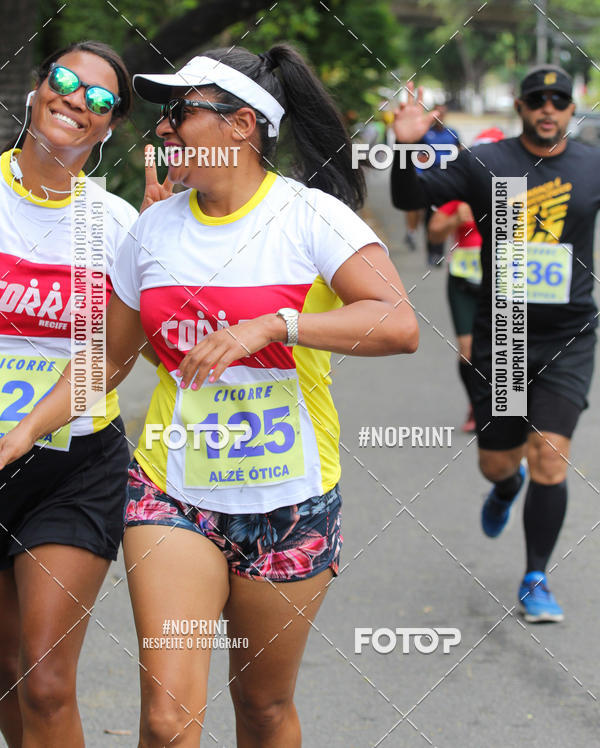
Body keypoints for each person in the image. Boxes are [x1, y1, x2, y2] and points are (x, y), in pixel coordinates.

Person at [0, 44, 420, 746]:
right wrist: (21, 434)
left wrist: (277, 325)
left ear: (241, 125)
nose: (163, 128)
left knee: (262, 707)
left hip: (289, 499)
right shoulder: (152, 229)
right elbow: (107, 358)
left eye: (181, 112)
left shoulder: (309, 217)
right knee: (167, 721)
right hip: (172, 493)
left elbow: (398, 324)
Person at [391, 65, 597, 622]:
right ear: (521, 106)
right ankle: (506, 488)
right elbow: (413, 195)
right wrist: (405, 147)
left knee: (550, 456)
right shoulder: (484, 161)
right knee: (497, 463)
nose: (548, 108)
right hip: (504, 334)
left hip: (568, 334)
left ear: (570, 107)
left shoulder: (591, 164)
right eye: (538, 99)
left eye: (559, 99)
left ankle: (536, 577)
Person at [0, 41, 138, 747]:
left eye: (100, 99)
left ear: (109, 127)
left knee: (46, 680)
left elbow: (112, 360)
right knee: (5, 670)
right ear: (37, 88)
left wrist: (26, 430)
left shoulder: (116, 224)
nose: (77, 100)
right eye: (64, 80)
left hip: (73, 465)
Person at [427, 128, 505, 433]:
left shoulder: (519, 189)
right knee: (469, 351)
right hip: (463, 279)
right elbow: (434, 233)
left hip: (505, 280)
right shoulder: (462, 189)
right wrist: (455, 219)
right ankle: (477, 404)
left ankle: (507, 410)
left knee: (507, 348)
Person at [420, 104, 461, 266]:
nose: (440, 117)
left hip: (447, 179)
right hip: (429, 178)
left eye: (442, 114)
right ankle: (431, 251)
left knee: (444, 214)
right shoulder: (425, 134)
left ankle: (439, 253)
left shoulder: (453, 133)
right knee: (430, 215)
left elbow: (460, 151)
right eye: (437, 114)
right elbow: (418, 154)